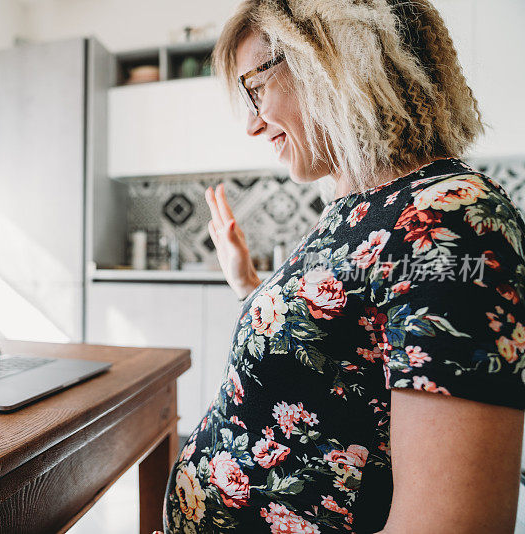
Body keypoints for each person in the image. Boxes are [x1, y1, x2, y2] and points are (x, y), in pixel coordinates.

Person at [162, 2, 525, 533]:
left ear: (330, 58)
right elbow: (334, 363)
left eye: (254, 89)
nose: (251, 123)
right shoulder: (359, 207)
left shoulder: (447, 216)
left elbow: (448, 523)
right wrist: (248, 286)